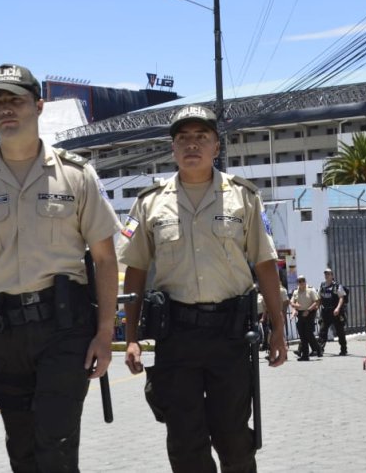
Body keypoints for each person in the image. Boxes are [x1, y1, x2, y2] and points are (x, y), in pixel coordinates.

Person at [0, 63, 120, 472]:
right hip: (5, 333)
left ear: (38, 106)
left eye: (14, 100)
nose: (6, 110)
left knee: (55, 445)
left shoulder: (76, 174)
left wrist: (105, 333)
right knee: (22, 450)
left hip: (64, 330)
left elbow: (106, 259)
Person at [119, 104, 287, 473]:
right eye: (183, 139)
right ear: (173, 149)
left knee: (234, 439)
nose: (191, 145)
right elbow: (135, 272)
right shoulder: (149, 203)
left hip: (230, 337)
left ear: (216, 147)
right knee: (184, 444)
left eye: (201, 138)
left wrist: (278, 328)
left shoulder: (244, 197)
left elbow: (264, 263)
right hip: (175, 339)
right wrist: (131, 336)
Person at [317, 268, 348, 356]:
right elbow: (319, 298)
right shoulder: (322, 285)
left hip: (335, 312)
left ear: (332, 275)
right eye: (325, 274)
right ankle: (320, 349)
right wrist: (316, 308)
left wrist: (338, 308)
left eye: (328, 274)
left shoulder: (337, 286)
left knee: (340, 331)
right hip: (325, 312)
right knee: (322, 331)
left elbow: (341, 297)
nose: (327, 276)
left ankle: (343, 349)